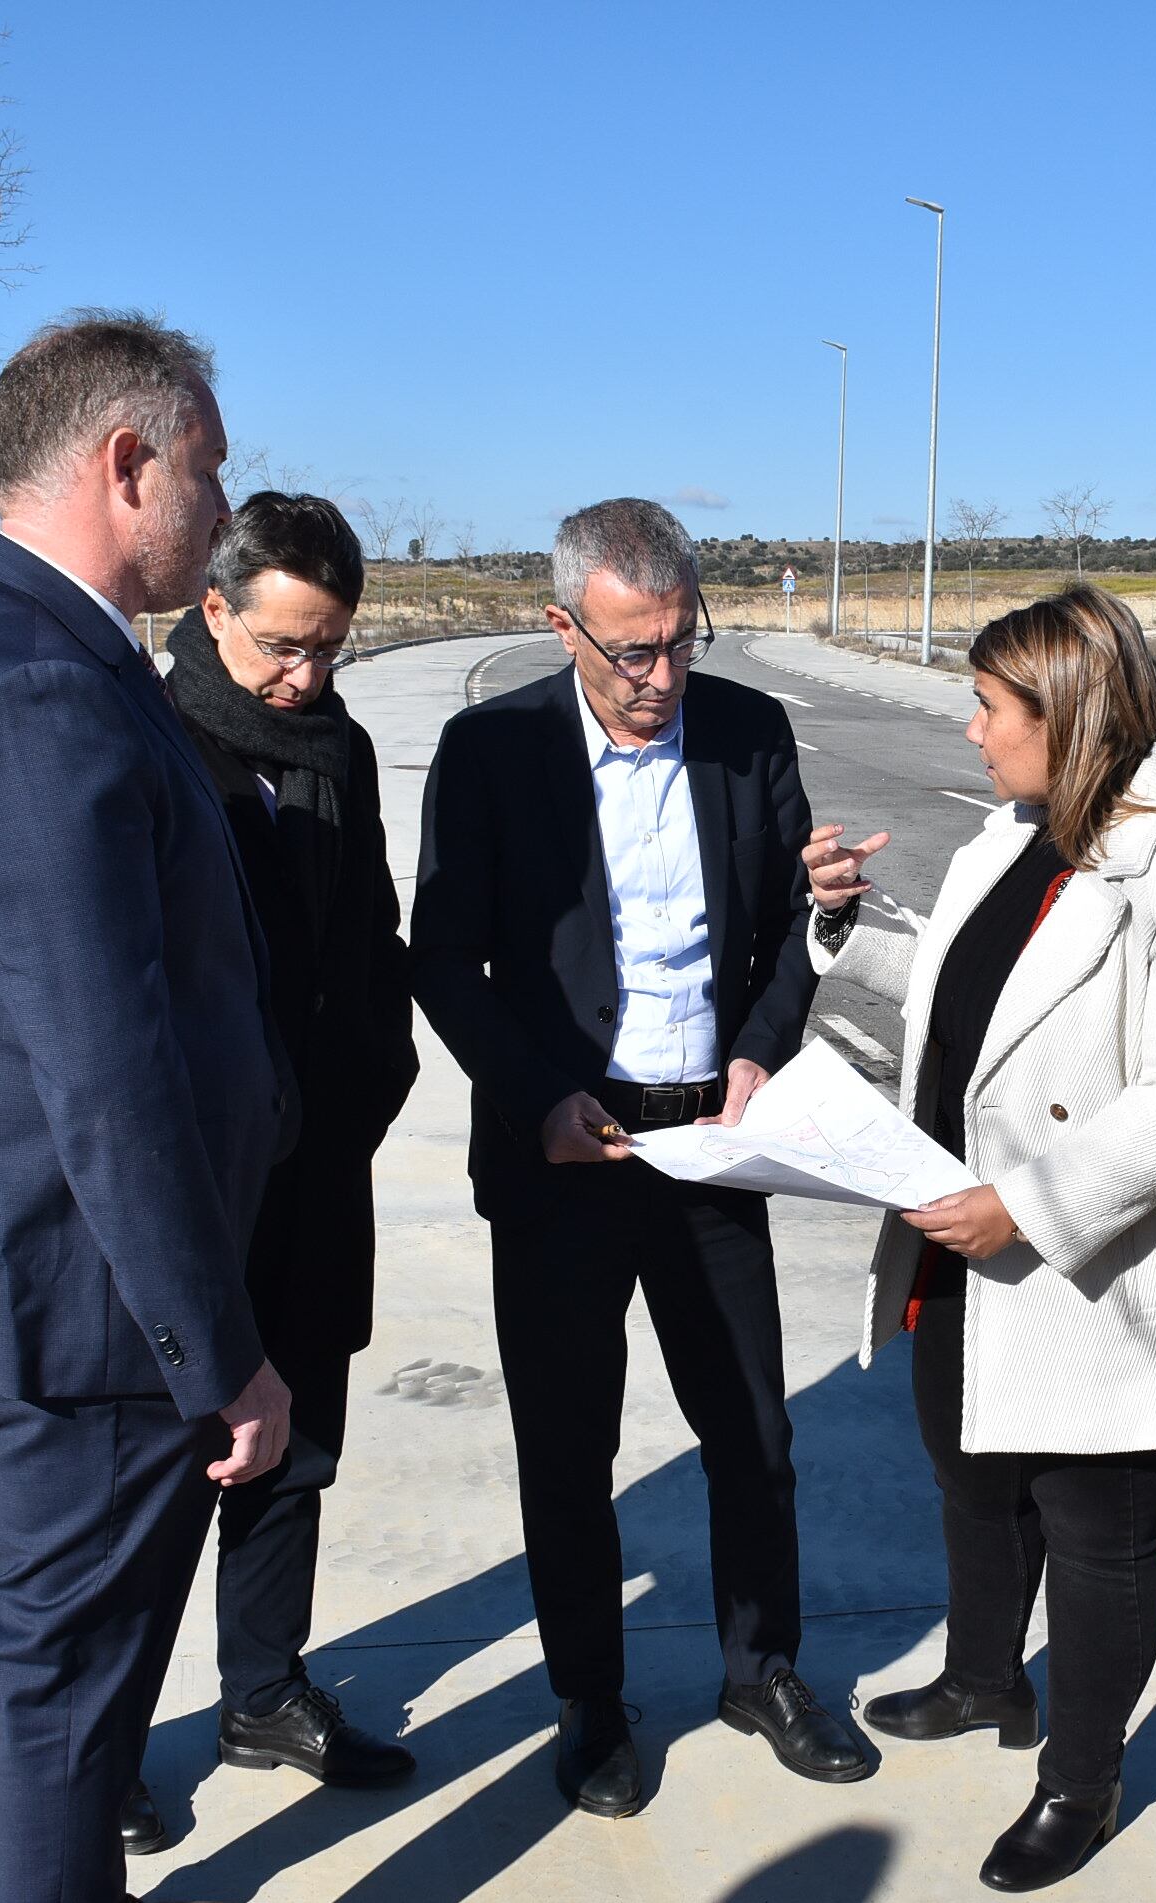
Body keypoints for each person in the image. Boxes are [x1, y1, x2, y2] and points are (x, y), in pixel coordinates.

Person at [0, 310, 287, 1903]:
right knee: (61, 1689)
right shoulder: (39, 689)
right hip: (102, 1301)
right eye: (209, 465)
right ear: (127, 464)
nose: (222, 496)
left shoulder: (24, 639)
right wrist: (220, 1357)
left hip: (74, 1273)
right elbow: (103, 1078)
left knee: (86, 1685)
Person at [800, 582, 1156, 1892]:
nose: (971, 731)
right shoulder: (1023, 827)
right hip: (969, 1231)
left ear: (1066, 718)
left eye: (990, 706)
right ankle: (980, 1679)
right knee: (969, 1470)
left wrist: (1032, 1203)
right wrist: (848, 926)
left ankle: (1082, 1779)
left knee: (1096, 1530)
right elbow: (974, 998)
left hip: (1099, 1263)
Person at [411, 496, 875, 1819]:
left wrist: (760, 1052)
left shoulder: (746, 733)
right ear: (562, 627)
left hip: (710, 1136)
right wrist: (538, 1096)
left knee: (755, 1434)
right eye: (632, 651)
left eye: (681, 642)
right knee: (570, 1448)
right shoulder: (489, 751)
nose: (663, 678)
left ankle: (761, 1669)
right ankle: (592, 1707)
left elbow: (792, 927)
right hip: (567, 1147)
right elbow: (444, 957)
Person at [103, 490, 419, 1855]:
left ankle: (264, 1693)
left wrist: (374, 1080)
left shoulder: (336, 748)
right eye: (283, 646)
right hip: (194, 1179)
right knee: (167, 1468)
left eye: (329, 649)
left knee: (298, 1448)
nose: (306, 677)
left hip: (318, 1169)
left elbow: (375, 936)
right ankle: (105, 1746)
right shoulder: (148, 744)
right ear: (209, 610)